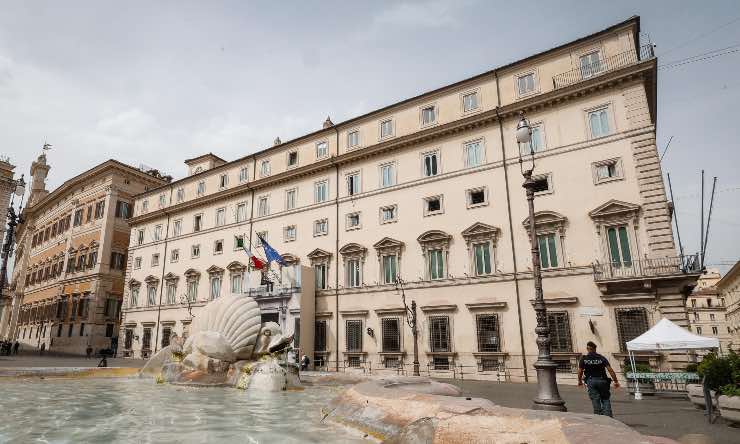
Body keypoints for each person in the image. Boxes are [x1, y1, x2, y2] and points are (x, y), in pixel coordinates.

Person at [578, 341, 620, 417]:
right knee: (605, 398)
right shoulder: (601, 358)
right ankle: (608, 417)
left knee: (595, 399)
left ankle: (598, 417)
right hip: (602, 380)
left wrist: (579, 381)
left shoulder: (584, 359)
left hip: (590, 381)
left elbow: (580, 371)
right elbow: (610, 370)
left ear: (587, 349)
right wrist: (615, 381)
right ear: (595, 349)